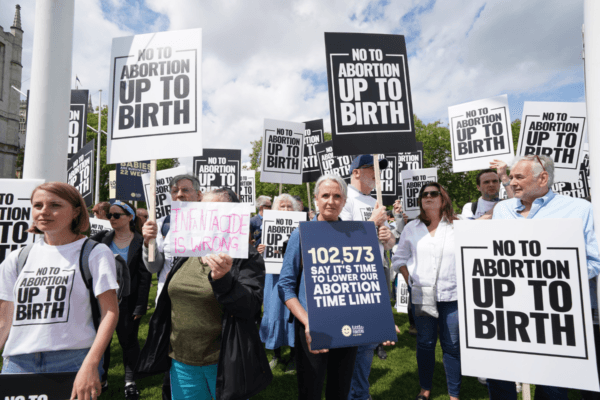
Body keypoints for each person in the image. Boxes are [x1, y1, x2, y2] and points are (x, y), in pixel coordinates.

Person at [136, 188, 272, 400]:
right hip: (181, 362)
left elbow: (251, 307)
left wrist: (224, 279)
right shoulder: (188, 249)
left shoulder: (245, 256)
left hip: (223, 363)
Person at [488, 155, 600, 400]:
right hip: (510, 313)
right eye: (512, 176)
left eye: (519, 177)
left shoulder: (578, 209)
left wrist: (559, 272)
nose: (511, 182)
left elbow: (594, 262)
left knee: (552, 390)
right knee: (500, 382)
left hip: (557, 317)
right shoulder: (503, 210)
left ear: (543, 178)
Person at [279, 175, 395, 400]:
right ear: (315, 200)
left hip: (348, 327)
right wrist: (307, 322)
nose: (330, 201)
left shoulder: (355, 234)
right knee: (310, 392)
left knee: (340, 391)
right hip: (312, 329)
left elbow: (366, 283)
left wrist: (382, 324)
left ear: (344, 201)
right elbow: (285, 286)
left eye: (337, 196)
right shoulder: (301, 233)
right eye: (325, 195)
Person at [0, 182, 119, 400]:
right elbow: (4, 319)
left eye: (55, 205)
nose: (44, 211)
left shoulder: (94, 252)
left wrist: (91, 364)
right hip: (18, 364)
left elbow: (110, 312)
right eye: (37, 205)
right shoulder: (17, 258)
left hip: (73, 361)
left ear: (75, 211)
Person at [392, 182, 462, 400]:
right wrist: (408, 278)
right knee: (425, 342)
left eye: (434, 193)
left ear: (443, 198)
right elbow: (398, 257)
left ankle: (454, 393)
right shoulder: (412, 227)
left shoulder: (458, 225)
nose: (428, 197)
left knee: (452, 345)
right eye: (424, 195)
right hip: (422, 294)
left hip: (452, 295)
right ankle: (425, 389)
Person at [141, 173, 202, 400]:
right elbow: (154, 266)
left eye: (185, 190)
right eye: (175, 191)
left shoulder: (212, 221)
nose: (179, 194)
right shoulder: (164, 223)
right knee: (171, 362)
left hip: (202, 306)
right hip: (169, 306)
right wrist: (148, 243)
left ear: (199, 194)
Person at [340, 154, 396, 400]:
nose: (377, 173)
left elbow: (389, 242)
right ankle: (358, 393)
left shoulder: (375, 201)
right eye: (371, 168)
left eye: (379, 169)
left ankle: (359, 390)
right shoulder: (345, 199)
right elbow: (342, 241)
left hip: (377, 272)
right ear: (355, 172)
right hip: (356, 277)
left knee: (369, 339)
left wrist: (388, 238)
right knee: (357, 340)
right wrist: (372, 224)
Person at [92, 200, 151, 399]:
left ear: (130, 217)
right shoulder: (101, 239)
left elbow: (145, 277)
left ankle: (130, 380)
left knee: (128, 342)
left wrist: (141, 306)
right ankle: (102, 377)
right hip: (104, 301)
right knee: (103, 341)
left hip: (129, 301)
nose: (112, 219)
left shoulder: (141, 242)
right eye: (110, 215)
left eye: (116, 215)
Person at [257, 194, 301, 372]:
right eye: (281, 206)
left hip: (293, 277)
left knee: (291, 313)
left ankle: (293, 355)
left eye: (289, 206)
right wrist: (260, 250)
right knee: (273, 311)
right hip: (273, 277)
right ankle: (276, 353)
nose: (285, 210)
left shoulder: (300, 228)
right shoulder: (266, 226)